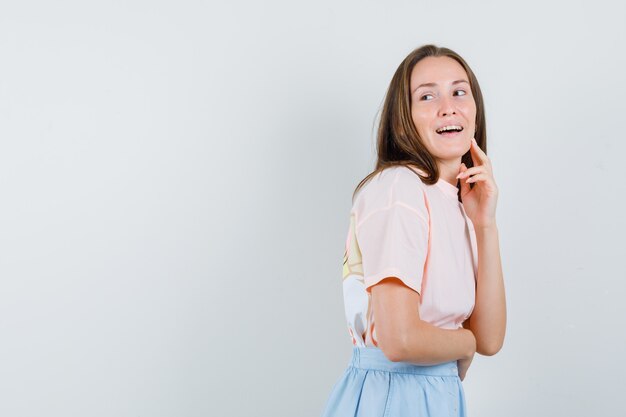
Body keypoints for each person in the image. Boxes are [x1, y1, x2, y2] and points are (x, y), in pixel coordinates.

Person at [320, 44, 507, 417]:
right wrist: (463, 344)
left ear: (475, 110)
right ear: (403, 119)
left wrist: (485, 224)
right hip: (392, 394)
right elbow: (400, 339)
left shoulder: (456, 201)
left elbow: (489, 339)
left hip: (437, 395)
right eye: (427, 96)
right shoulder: (399, 188)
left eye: (459, 91)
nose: (447, 106)